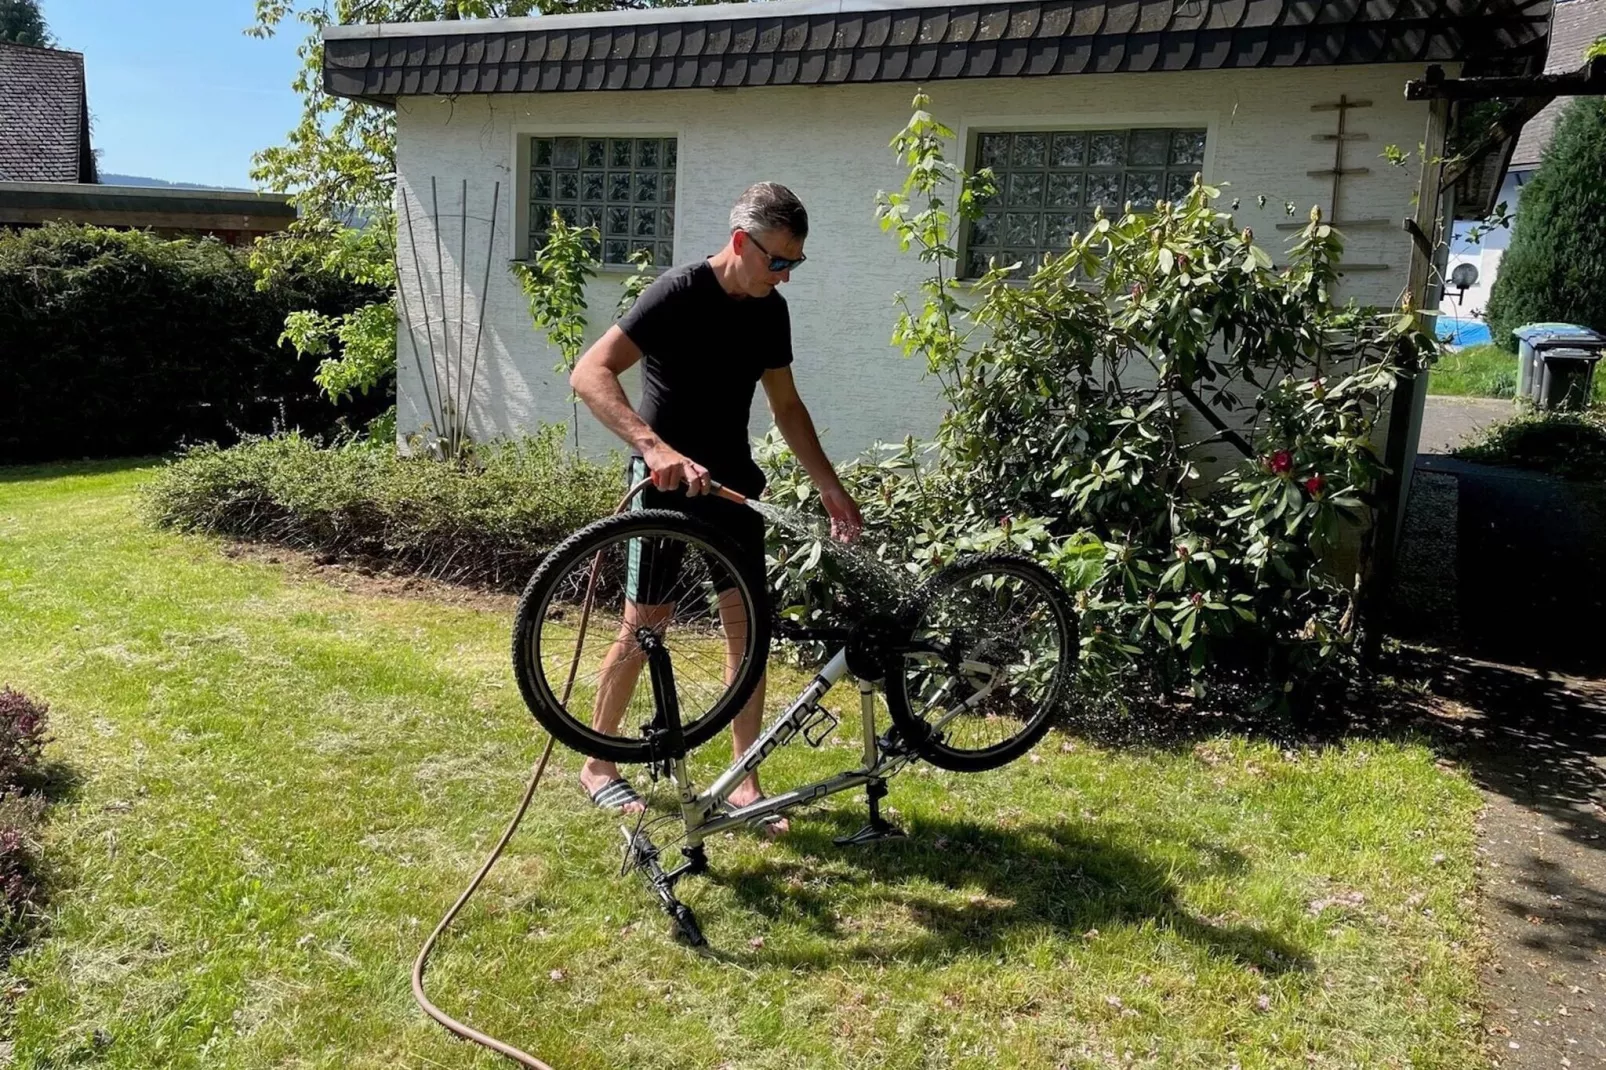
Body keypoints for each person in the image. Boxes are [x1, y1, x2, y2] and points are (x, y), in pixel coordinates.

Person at [568, 182, 863, 833]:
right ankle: (598, 765)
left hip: (732, 485)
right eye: (778, 261)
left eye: (795, 265)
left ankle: (743, 782)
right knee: (646, 623)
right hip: (663, 487)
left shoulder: (767, 312)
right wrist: (653, 448)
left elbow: (786, 407)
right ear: (741, 243)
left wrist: (829, 485)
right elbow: (590, 372)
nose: (785, 277)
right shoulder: (677, 294)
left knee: (748, 631)